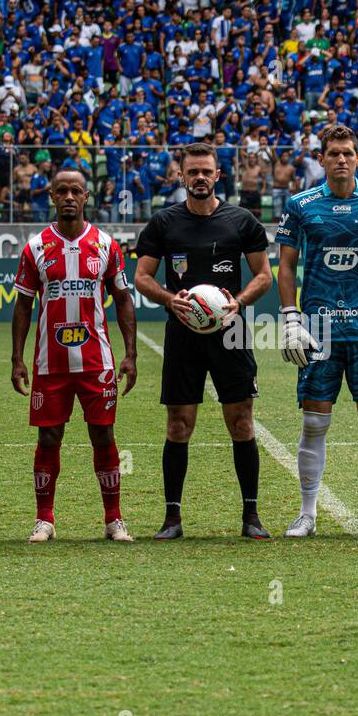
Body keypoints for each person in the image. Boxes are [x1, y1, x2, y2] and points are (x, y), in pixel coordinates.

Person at [133, 141, 274, 541]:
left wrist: (238, 302)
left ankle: (251, 517)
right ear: (181, 176)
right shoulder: (164, 223)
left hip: (230, 332)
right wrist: (167, 298)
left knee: (241, 421)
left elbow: (263, 275)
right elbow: (142, 276)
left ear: (218, 175)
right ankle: (172, 519)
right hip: (183, 333)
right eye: (191, 171)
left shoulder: (242, 221)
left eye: (205, 171)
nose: (199, 177)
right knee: (179, 425)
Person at [276, 124, 358, 537]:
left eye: (347, 153)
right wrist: (291, 319)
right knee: (314, 423)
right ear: (321, 158)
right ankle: (308, 514)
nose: (340, 159)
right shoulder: (300, 205)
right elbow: (285, 264)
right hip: (318, 330)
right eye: (333, 153)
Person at [10, 170, 138, 544]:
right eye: (61, 190)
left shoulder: (105, 245)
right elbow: (22, 306)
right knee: (49, 437)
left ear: (86, 197)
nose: (69, 196)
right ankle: (44, 519)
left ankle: (114, 519)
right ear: (51, 196)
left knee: (103, 434)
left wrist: (130, 354)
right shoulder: (36, 246)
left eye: (75, 191)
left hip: (97, 362)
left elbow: (124, 300)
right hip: (51, 364)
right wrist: (17, 359)